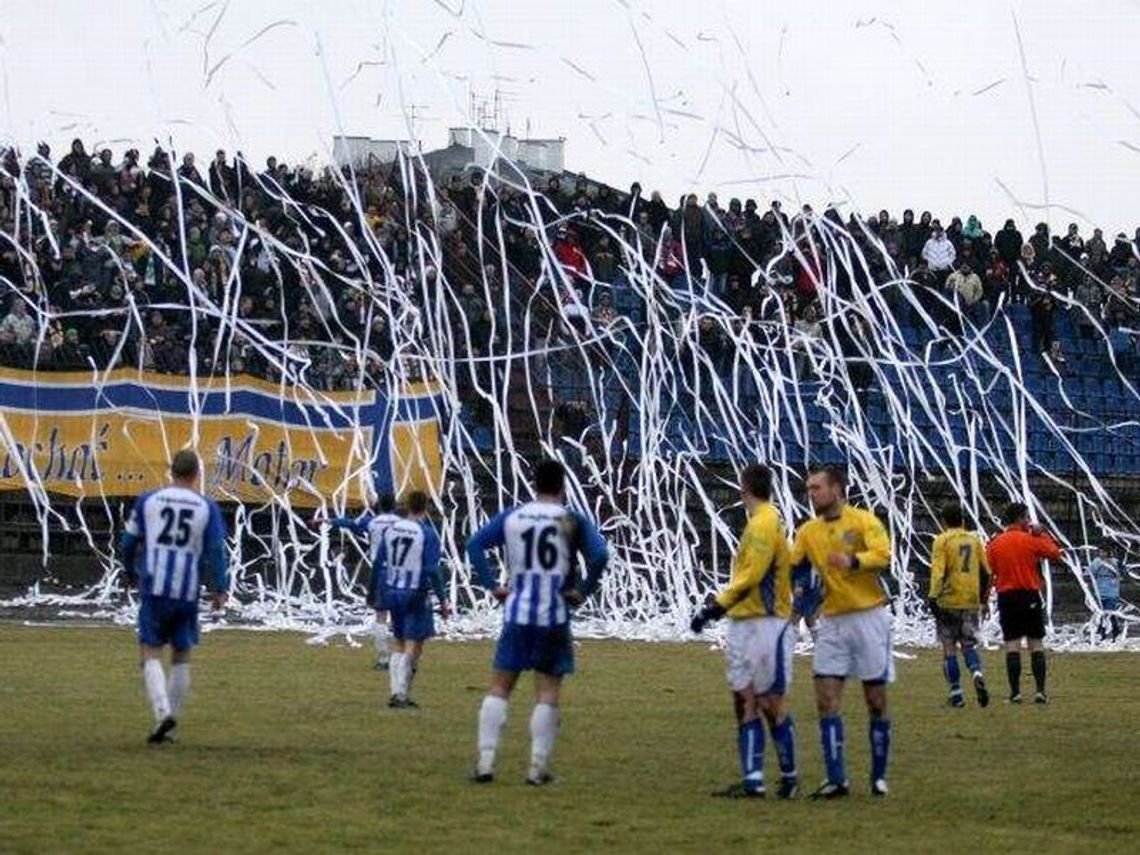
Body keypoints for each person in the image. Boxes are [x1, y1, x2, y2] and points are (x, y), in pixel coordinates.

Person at [467, 458, 609, 785]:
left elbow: (474, 544)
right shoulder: (570, 519)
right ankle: (536, 769)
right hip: (553, 614)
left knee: (500, 687)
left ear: (534, 485)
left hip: (518, 612)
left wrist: (492, 585)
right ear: (562, 487)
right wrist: (583, 590)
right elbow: (600, 555)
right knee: (547, 691)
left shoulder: (514, 516)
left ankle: (486, 763)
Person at [690, 464, 799, 799]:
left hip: (766, 622)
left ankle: (789, 776)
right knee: (745, 698)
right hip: (748, 621)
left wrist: (715, 607)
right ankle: (754, 779)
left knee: (768, 701)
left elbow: (753, 575)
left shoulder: (765, 522)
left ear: (744, 488)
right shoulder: (761, 521)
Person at [790, 464, 893, 799]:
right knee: (825, 699)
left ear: (836, 489)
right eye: (808, 489)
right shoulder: (809, 531)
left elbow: (883, 555)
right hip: (832, 621)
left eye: (816, 488)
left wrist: (853, 562)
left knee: (875, 700)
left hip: (868, 617)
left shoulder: (864, 521)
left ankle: (878, 777)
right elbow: (794, 566)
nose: (811, 494)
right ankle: (836, 778)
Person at [118, 449, 229, 744]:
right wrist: (220, 587)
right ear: (196, 474)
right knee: (182, 653)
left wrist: (129, 572)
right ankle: (169, 722)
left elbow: (128, 542)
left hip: (154, 586)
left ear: (171, 471)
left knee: (149, 649)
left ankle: (162, 713)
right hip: (187, 590)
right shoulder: (206, 506)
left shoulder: (148, 500)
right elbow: (216, 550)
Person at [985, 502, 1063, 704]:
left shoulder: (996, 543)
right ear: (1020, 519)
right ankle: (1040, 691)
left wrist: (984, 600)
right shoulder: (1031, 540)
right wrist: (1042, 533)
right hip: (1029, 595)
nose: (1029, 521)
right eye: (1027, 517)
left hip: (1007, 597)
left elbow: (989, 573)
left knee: (1012, 643)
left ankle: (1015, 693)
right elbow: (1056, 553)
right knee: (1035, 642)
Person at [379, 490, 448, 708]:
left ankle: (397, 692)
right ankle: (400, 693)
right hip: (415, 592)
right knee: (413, 645)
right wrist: (443, 599)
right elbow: (432, 569)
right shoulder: (426, 533)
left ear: (407, 505)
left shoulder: (392, 530)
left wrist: (376, 590)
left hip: (393, 591)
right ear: (426, 507)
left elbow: (380, 561)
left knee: (400, 643)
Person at [319, 493, 402, 669]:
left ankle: (383, 660)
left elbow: (350, 523)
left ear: (378, 507)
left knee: (381, 616)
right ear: (394, 507)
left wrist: (328, 520)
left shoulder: (372, 522)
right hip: (401, 572)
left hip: (381, 572)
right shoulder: (404, 524)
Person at [927, 503, 991, 708]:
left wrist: (933, 597)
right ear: (962, 520)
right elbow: (986, 572)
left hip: (949, 599)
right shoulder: (974, 540)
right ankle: (977, 673)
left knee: (949, 648)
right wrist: (983, 599)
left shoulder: (942, 540)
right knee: (969, 644)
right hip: (970, 600)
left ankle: (956, 693)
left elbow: (939, 572)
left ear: (944, 521)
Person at [1086, 544, 1123, 641]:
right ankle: (1101, 631)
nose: (1101, 554)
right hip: (1100, 589)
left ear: (1108, 552)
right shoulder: (1097, 561)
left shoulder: (1115, 561)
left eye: (1103, 552)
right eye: (1100, 552)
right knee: (1101, 612)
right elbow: (1090, 572)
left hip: (1112, 590)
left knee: (1110, 612)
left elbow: (1121, 572)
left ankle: (1114, 630)